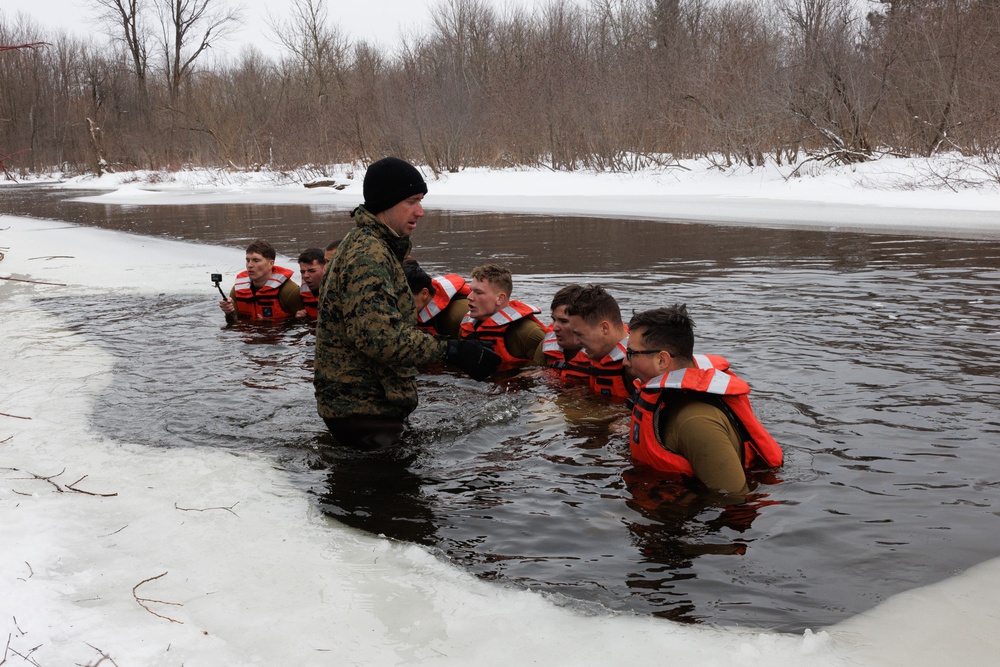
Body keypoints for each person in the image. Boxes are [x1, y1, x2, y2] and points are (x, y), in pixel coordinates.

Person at [313, 157, 499, 449]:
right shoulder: (368, 255)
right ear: (386, 202)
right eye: (412, 201)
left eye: (421, 201)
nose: (420, 212)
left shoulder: (370, 245)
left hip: (367, 407)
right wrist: (452, 350)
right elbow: (379, 337)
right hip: (363, 411)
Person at [624, 304, 783, 494]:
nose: (625, 361)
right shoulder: (668, 399)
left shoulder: (695, 422)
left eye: (631, 353)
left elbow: (734, 501)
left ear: (662, 360)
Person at [460, 263, 547, 370]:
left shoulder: (527, 332)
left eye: (478, 292)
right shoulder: (466, 326)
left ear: (500, 299)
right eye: (471, 291)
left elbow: (546, 372)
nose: (469, 297)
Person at [565, 284, 633, 398]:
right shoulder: (597, 353)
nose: (576, 342)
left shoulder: (635, 366)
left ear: (604, 328)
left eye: (579, 334)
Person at [219, 239, 303, 324]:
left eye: (256, 260)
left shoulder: (289, 291)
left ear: (271, 264)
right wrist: (229, 312)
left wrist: (270, 324)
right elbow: (233, 324)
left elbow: (304, 324)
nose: (250, 265)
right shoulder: (237, 290)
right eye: (248, 260)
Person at [403, 259, 470, 338]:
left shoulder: (458, 313)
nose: (400, 303)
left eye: (406, 298)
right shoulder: (424, 298)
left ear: (424, 294)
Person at [542, 284, 591, 381]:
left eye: (563, 321)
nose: (555, 327)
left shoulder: (606, 353)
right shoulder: (545, 346)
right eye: (554, 319)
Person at [296, 247, 327, 319]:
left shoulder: (336, 291)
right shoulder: (299, 293)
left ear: (325, 268)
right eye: (302, 272)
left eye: (312, 271)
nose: (305, 276)